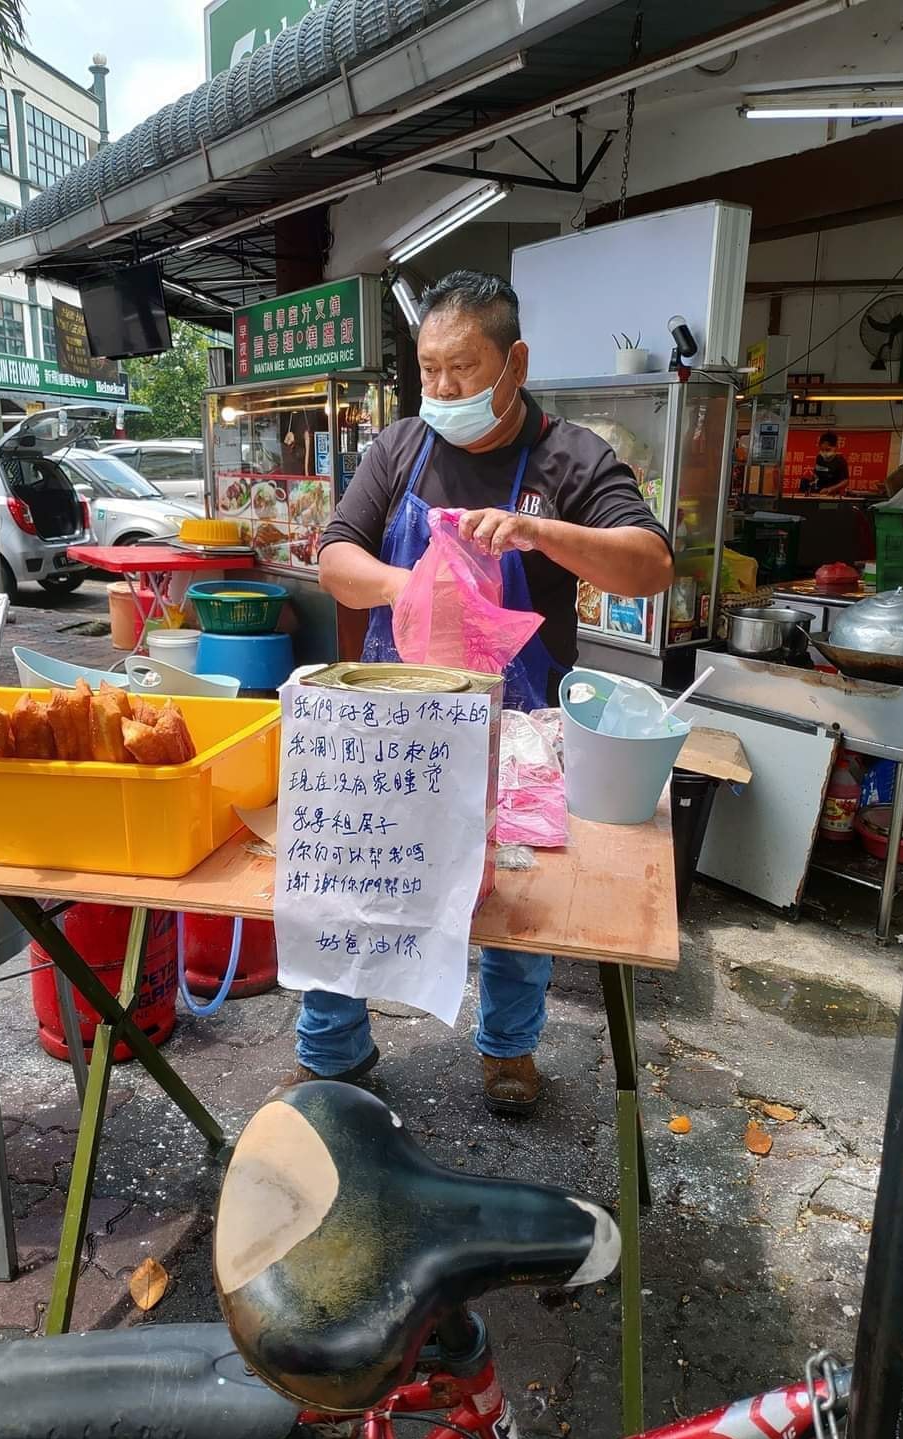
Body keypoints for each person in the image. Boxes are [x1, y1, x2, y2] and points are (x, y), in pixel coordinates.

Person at [275, 270, 674, 1116]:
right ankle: (332, 1049)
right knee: (353, 871)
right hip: (396, 717)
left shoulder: (572, 458)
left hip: (518, 727)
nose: (444, 390)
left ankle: (508, 1048)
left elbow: (650, 565)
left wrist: (540, 531)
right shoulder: (401, 448)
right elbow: (336, 559)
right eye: (430, 370)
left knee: (518, 893)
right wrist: (410, 587)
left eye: (462, 369)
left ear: (514, 363)